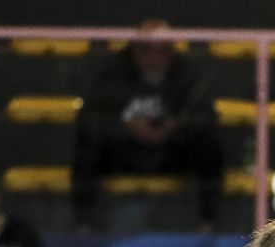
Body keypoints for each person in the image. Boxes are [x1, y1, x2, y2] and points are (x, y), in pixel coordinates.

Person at [73, 19, 223, 231]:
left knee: (209, 146)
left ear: (172, 51)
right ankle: (83, 225)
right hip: (124, 153)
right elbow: (90, 118)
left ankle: (207, 225)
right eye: (146, 50)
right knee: (88, 144)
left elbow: (206, 118)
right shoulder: (112, 73)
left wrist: (175, 127)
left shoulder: (188, 75)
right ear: (134, 49)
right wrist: (126, 126)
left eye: (163, 51)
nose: (154, 58)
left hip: (170, 152)